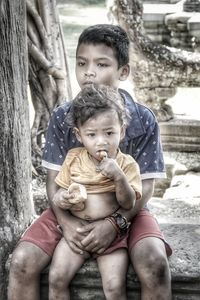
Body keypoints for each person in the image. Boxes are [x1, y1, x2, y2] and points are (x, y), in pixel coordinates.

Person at [8, 24, 172, 300]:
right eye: (82, 63)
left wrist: (115, 222)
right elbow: (53, 182)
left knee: (154, 263)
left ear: (123, 72)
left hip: (129, 209)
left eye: (101, 64)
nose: (89, 72)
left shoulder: (143, 119)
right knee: (21, 261)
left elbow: (146, 186)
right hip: (71, 210)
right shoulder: (63, 117)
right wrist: (66, 222)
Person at [49, 84, 142, 299]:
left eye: (110, 132)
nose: (102, 141)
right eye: (91, 134)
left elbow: (128, 203)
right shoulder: (73, 158)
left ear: (123, 130)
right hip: (78, 232)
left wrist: (118, 177)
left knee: (113, 286)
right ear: (79, 134)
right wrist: (63, 198)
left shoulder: (126, 164)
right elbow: (59, 193)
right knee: (56, 278)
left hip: (112, 234)